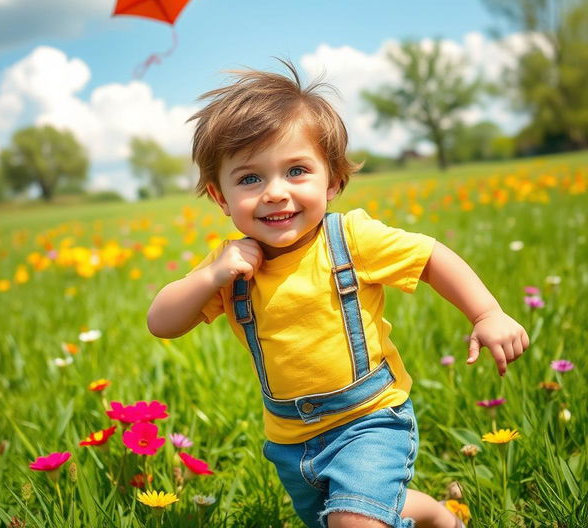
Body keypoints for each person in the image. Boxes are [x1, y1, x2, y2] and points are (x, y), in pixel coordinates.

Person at [147, 60, 529, 528]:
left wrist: (486, 312)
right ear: (220, 196)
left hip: (370, 420)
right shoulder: (230, 265)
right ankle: (437, 516)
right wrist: (209, 279)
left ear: (332, 180)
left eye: (296, 171)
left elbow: (430, 257)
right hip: (290, 440)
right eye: (249, 178)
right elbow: (161, 322)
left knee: (354, 521)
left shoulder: (350, 239)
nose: (274, 192)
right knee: (341, 518)